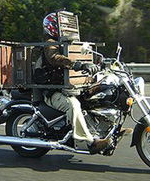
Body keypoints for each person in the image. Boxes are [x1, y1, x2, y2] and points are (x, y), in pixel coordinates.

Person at [36, 12, 112, 154]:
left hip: (68, 87)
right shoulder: (50, 43)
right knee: (73, 104)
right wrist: (77, 65)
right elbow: (54, 58)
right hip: (54, 90)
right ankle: (89, 142)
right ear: (52, 27)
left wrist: (98, 64)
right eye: (59, 25)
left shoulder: (67, 44)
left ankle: (104, 130)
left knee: (94, 97)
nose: (63, 29)